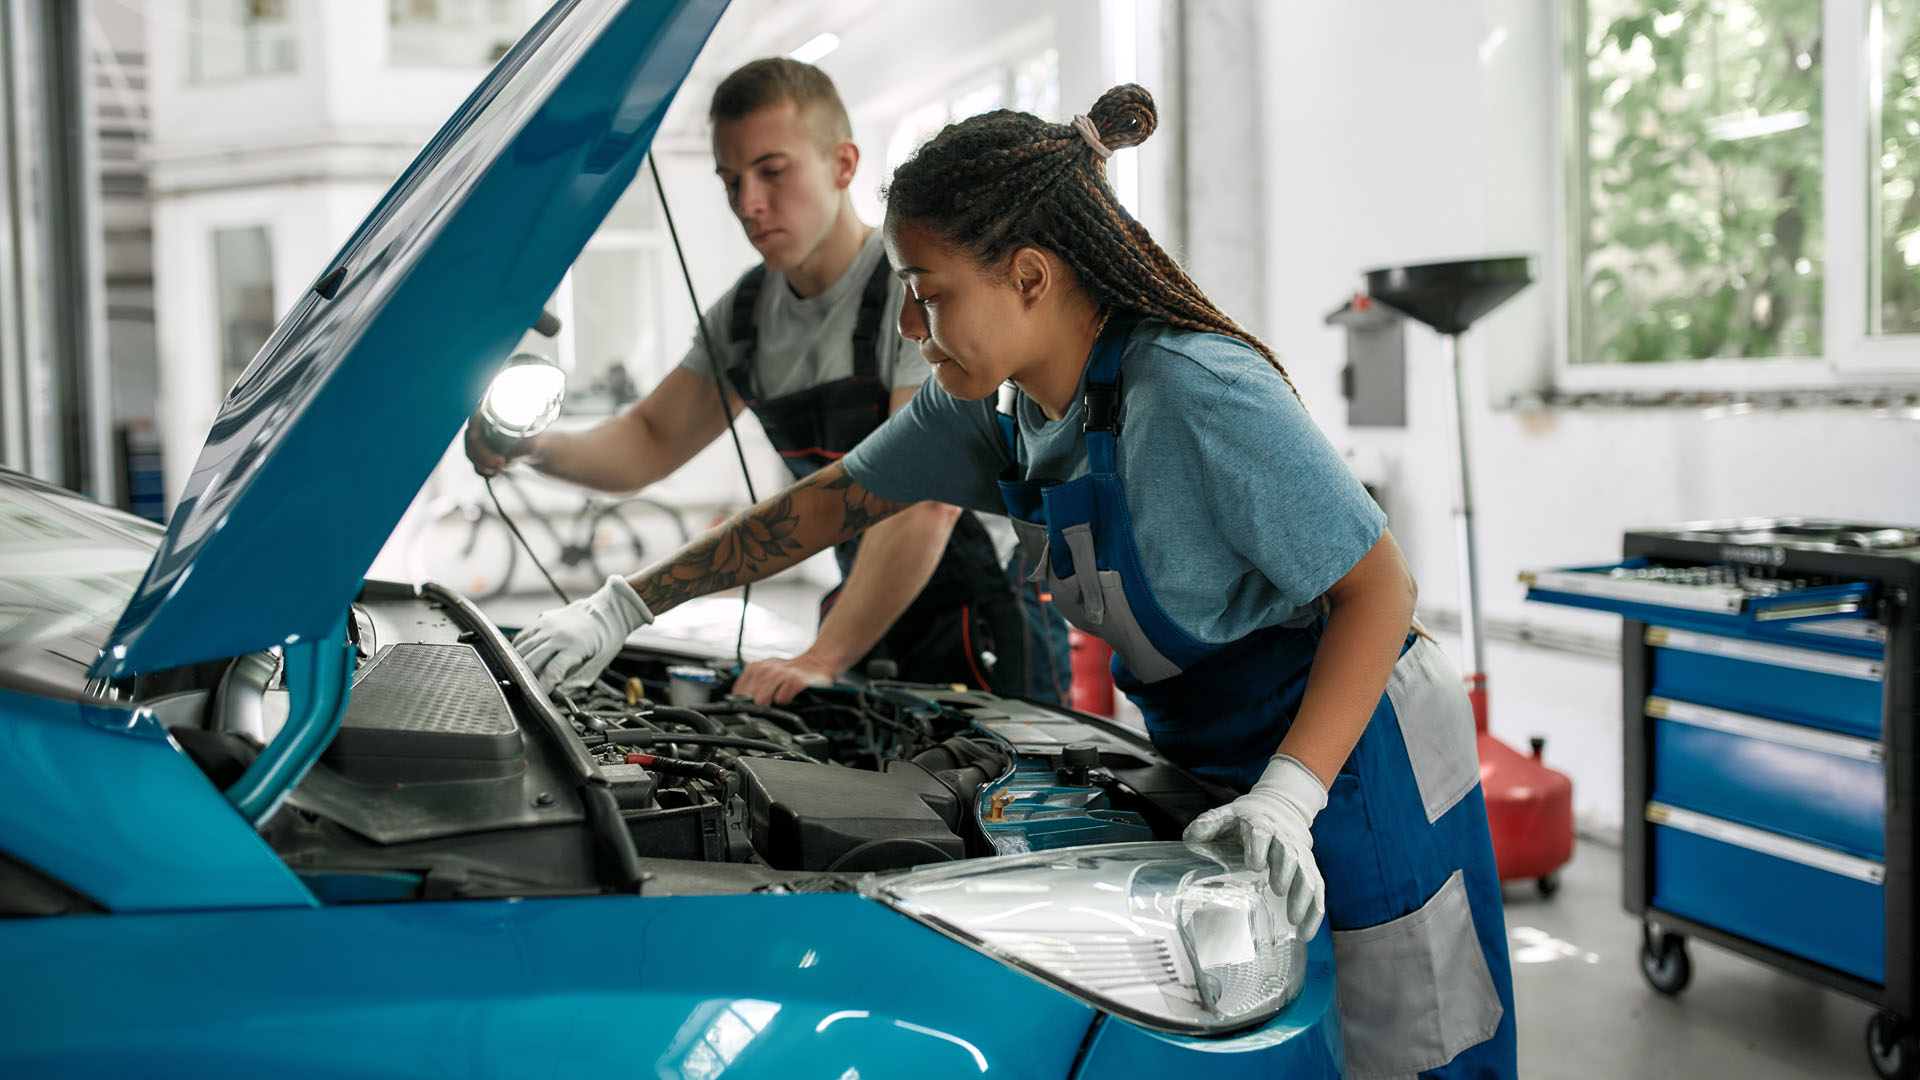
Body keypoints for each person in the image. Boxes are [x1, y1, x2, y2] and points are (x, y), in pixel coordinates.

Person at [511, 84, 1515, 1077]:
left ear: (1030, 278)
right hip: (1219, 748)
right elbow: (824, 504)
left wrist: (1292, 795)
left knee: (1409, 1039)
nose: (912, 325)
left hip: (1357, 744)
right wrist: (630, 602)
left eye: (932, 291)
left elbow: (1380, 593)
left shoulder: (1194, 392)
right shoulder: (991, 411)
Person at [467, 58, 1068, 706]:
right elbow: (649, 438)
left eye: (772, 172)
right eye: (731, 182)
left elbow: (921, 498)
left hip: (983, 626)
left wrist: (821, 656)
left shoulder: (919, 293)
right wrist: (529, 447)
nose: (749, 204)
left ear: (842, 164)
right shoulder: (744, 317)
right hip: (861, 623)